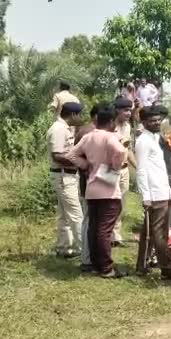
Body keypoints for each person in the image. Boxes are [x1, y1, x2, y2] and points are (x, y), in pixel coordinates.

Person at [68, 105, 128, 279]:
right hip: (108, 190)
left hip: (92, 188)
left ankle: (95, 264)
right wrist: (115, 166)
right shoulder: (110, 137)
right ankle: (106, 267)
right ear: (110, 121)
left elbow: (71, 155)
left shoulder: (88, 137)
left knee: (94, 228)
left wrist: (87, 166)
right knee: (104, 230)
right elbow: (120, 151)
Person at [134, 106, 171, 279]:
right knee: (160, 233)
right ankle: (167, 268)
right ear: (144, 122)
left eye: (158, 120)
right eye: (152, 120)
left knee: (150, 233)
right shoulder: (143, 141)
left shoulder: (154, 138)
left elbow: (159, 169)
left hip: (162, 191)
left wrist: (169, 192)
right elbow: (141, 171)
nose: (156, 123)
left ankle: (142, 265)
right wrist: (146, 196)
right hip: (154, 195)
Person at [47, 102, 84, 258]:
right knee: (76, 214)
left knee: (64, 215)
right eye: (79, 115)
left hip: (67, 175)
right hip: (63, 175)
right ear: (73, 115)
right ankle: (86, 250)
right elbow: (57, 155)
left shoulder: (65, 128)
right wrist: (80, 162)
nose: (81, 118)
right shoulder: (58, 129)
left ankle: (64, 247)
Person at [75, 104, 100, 272]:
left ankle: (91, 255)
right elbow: (74, 156)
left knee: (92, 220)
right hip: (91, 183)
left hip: (91, 182)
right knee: (89, 220)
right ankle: (87, 258)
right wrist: (88, 169)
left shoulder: (86, 131)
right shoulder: (89, 133)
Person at [111, 97, 135, 248]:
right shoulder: (109, 125)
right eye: (126, 110)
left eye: (130, 110)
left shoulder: (128, 126)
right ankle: (108, 234)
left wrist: (138, 167)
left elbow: (129, 149)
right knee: (110, 203)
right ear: (118, 111)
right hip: (111, 170)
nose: (128, 113)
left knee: (121, 204)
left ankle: (116, 235)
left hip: (124, 169)